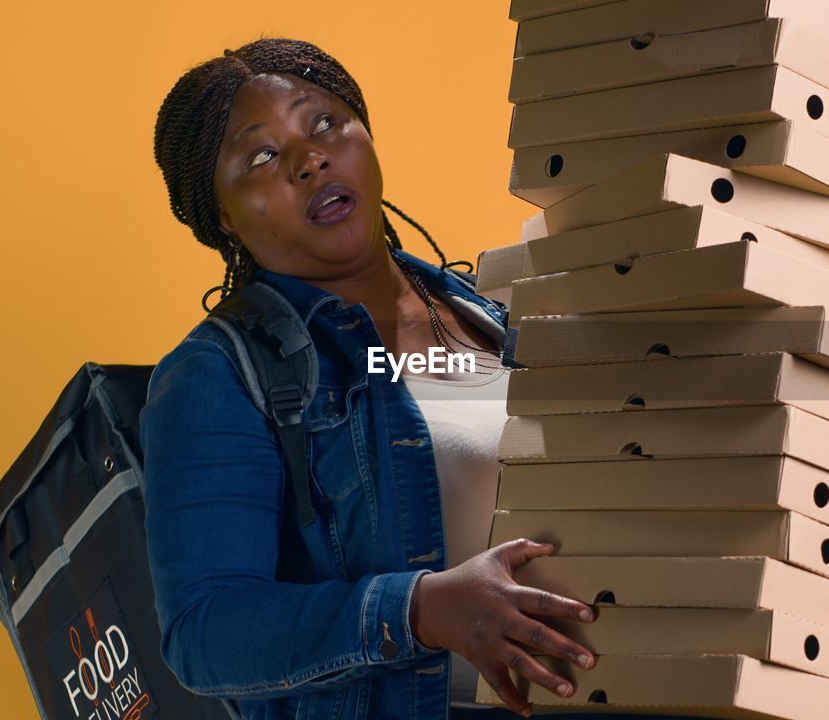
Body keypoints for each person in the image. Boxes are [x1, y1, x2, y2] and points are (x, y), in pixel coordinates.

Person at [142, 37, 614, 720]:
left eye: (325, 123)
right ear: (222, 216)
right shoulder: (218, 374)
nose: (309, 160)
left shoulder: (496, 311)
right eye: (263, 157)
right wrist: (419, 608)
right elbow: (205, 632)